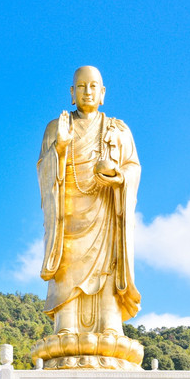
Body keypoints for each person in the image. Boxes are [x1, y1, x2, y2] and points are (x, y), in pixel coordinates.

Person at [37, 66, 141, 337]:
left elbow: (133, 167)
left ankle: (110, 325)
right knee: (68, 262)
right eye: (81, 86)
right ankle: (66, 326)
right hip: (68, 216)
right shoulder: (56, 126)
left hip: (105, 211)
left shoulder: (118, 129)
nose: (87, 91)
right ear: (72, 93)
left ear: (103, 92)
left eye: (93, 86)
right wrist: (59, 148)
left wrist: (119, 177)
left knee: (108, 266)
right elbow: (43, 169)